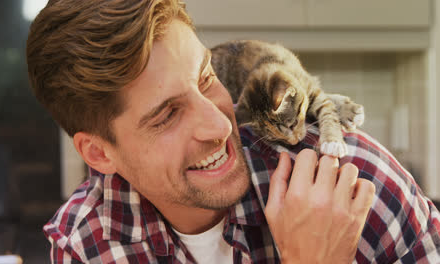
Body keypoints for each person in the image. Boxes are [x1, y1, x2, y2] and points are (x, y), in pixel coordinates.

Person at [26, 0, 440, 263]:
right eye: (167, 115)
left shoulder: (355, 181)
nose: (222, 124)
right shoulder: (88, 240)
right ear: (99, 153)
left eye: (206, 77)